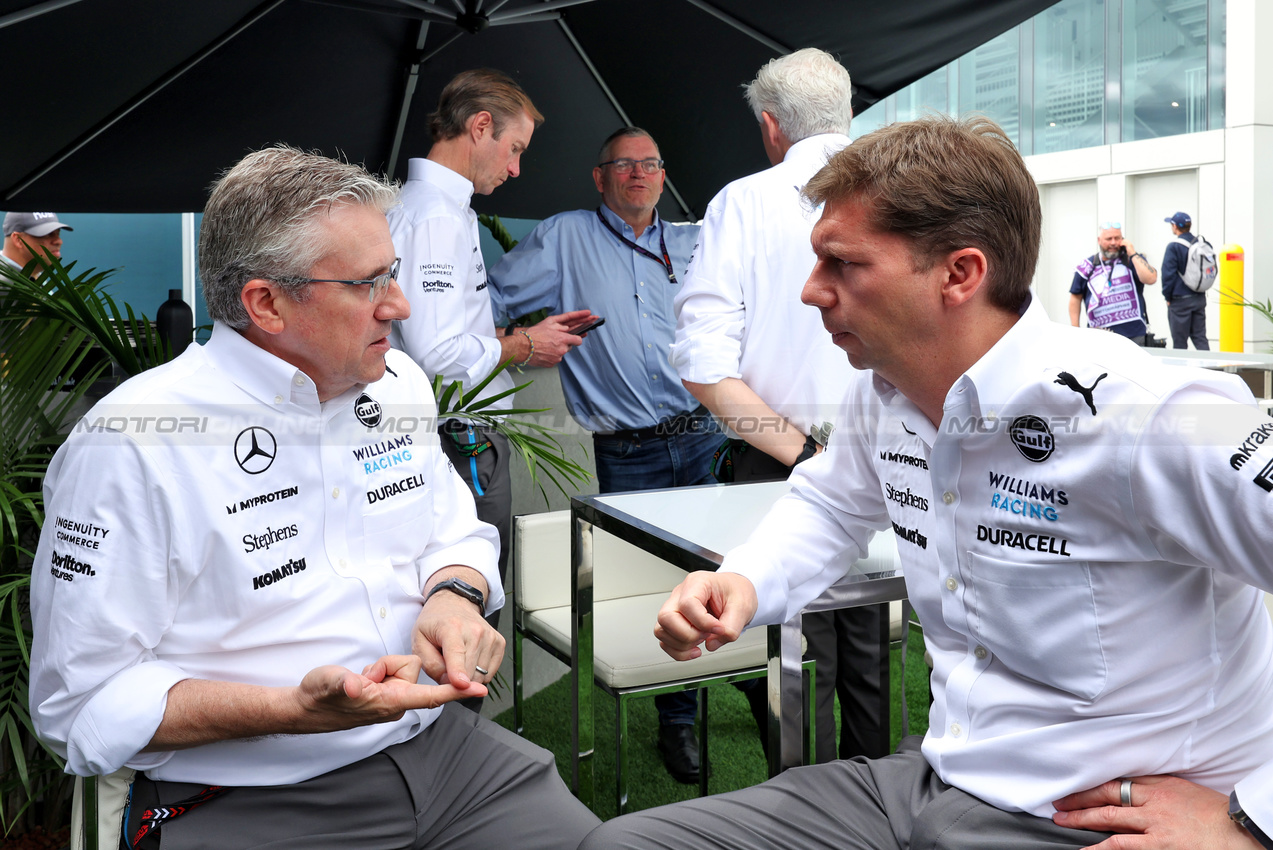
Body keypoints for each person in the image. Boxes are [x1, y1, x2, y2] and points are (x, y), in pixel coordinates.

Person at [579, 115, 1273, 850]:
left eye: (841, 264)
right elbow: (827, 504)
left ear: (958, 273)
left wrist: (1250, 821)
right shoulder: (886, 394)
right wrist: (745, 582)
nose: (811, 292)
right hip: (935, 777)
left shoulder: (1142, 412)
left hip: (1085, 817)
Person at [28, 145, 600, 850]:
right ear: (265, 302)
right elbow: (79, 706)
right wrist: (288, 709)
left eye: (393, 272)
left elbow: (453, 534)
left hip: (451, 757)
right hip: (248, 795)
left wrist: (454, 597)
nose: (401, 304)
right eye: (369, 284)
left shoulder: (398, 385)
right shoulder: (132, 443)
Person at [490, 126, 756, 784]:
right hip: (628, 450)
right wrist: (526, 339)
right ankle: (678, 721)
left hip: (705, 437)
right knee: (656, 584)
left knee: (734, 565)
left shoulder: (694, 242)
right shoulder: (565, 237)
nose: (638, 174)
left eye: (650, 164)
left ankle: (749, 674)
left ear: (663, 175)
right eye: (622, 165)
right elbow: (483, 305)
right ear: (599, 177)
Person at [670, 46, 888, 766]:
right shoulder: (900, 191)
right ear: (847, 112)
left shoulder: (742, 201)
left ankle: (805, 815)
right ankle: (879, 808)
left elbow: (703, 367)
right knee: (867, 657)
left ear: (770, 126)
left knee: (788, 659)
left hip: (775, 464)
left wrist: (799, 452)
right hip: (885, 456)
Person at [388, 69, 593, 692]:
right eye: (515, 149)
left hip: (450, 435)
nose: (516, 169)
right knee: (465, 602)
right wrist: (525, 344)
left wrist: (522, 341)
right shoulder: (436, 218)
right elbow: (441, 353)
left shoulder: (429, 208)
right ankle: (459, 750)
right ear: (480, 128)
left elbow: (446, 329)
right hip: (462, 440)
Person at [1068, 222, 1159, 344]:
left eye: (1117, 238)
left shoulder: (1132, 260)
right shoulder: (1087, 266)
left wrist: (1132, 252)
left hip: (1134, 336)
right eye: (1108, 239)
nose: (1113, 243)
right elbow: (1075, 297)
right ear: (1099, 240)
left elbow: (1151, 278)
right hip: (1098, 338)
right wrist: (1076, 331)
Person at [1161, 210, 1211, 350]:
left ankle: (1182, 371)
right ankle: (1209, 369)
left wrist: (1167, 296)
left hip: (1180, 301)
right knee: (1200, 338)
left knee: (1180, 342)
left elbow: (1167, 275)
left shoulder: (1174, 247)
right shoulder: (1202, 244)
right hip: (1199, 298)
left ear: (1175, 226)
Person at [2, 211, 73, 274]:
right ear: (18, 239)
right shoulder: (4, 283)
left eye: (58, 233)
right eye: (47, 234)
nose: (59, 241)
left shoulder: (37, 279)